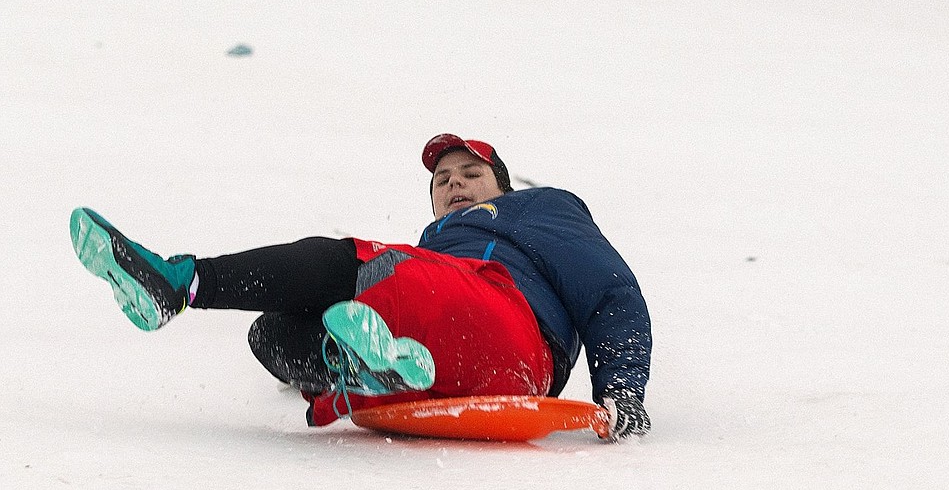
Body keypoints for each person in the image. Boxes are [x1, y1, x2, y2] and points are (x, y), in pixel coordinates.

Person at [70, 134, 653, 440]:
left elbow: (609, 292)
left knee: (346, 264)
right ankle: (359, 368)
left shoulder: (538, 211)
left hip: (509, 324)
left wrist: (622, 393)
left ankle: (177, 283)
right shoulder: (437, 246)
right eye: (443, 180)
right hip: (453, 358)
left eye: (471, 174)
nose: (455, 185)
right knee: (270, 332)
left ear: (502, 186)